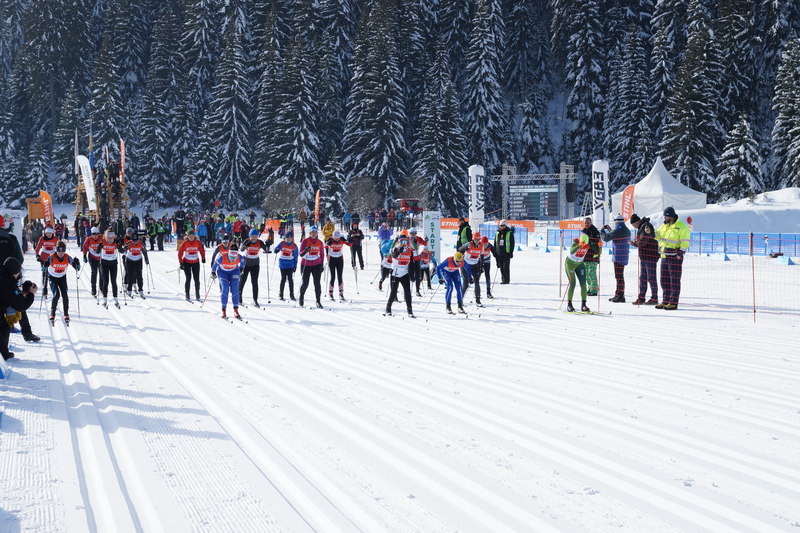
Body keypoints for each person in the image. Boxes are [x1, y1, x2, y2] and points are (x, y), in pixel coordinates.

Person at [0, 258, 37, 360]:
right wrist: (31, 294)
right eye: (17, 272)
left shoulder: (4, 276)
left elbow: (12, 297)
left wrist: (23, 293)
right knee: (3, 326)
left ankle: (3, 354)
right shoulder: (7, 283)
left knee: (4, 325)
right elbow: (20, 305)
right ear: (13, 272)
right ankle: (3, 355)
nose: (18, 275)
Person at [655, 206, 691, 310]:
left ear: (671, 216)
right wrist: (649, 231)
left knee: (674, 281)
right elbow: (657, 235)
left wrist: (680, 253)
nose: (664, 218)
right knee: (664, 280)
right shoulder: (664, 226)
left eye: (666, 216)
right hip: (664, 256)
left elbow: (685, 241)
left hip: (675, 257)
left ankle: (673, 303)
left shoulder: (681, 227)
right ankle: (665, 301)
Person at [45, 241, 81, 323]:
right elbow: (43, 268)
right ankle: (52, 313)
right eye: (59, 251)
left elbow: (77, 268)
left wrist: (77, 264)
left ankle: (66, 313)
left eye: (62, 251)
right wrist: (45, 265)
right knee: (56, 295)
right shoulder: (52, 257)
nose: (61, 253)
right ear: (56, 250)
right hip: (52, 277)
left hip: (62, 277)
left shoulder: (67, 257)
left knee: (65, 294)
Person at [629, 214, 659, 305]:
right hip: (644, 256)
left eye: (633, 225)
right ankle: (641, 297)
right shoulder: (641, 227)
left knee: (651, 278)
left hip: (650, 256)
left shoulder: (646, 226)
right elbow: (642, 241)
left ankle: (654, 298)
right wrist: (636, 242)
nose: (634, 227)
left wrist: (636, 243)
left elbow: (644, 241)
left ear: (637, 222)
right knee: (643, 278)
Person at [601, 214, 631, 303]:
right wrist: (610, 230)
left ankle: (620, 295)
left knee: (619, 276)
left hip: (618, 255)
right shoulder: (625, 229)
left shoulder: (618, 229)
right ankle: (618, 294)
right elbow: (615, 236)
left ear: (616, 221)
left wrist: (602, 231)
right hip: (623, 255)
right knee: (619, 276)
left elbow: (606, 238)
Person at [384, 235, 415, 317]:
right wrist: (399, 251)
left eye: (405, 241)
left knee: (407, 292)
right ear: (399, 242)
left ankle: (410, 311)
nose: (404, 243)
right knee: (393, 292)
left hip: (405, 273)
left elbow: (412, 263)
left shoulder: (409, 250)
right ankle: (388, 308)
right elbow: (394, 255)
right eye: (402, 242)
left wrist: (412, 275)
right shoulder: (395, 248)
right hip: (395, 273)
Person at [211, 246, 244, 319]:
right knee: (225, 289)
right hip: (222, 272)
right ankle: (223, 310)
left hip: (234, 271)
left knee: (235, 289)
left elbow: (242, 263)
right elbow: (215, 265)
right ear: (228, 254)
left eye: (234, 257)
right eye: (231, 257)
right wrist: (213, 272)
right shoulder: (221, 257)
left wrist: (241, 268)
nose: (232, 259)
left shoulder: (240, 257)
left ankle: (236, 310)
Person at [564, 234, 595, 313]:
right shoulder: (575, 242)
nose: (584, 244)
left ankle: (583, 305)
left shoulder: (588, 243)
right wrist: (579, 245)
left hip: (580, 264)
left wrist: (600, 246)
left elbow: (597, 250)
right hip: (570, 264)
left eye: (585, 243)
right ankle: (569, 305)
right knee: (573, 283)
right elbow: (572, 251)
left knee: (583, 284)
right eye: (583, 242)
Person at [239, 228, 268, 307]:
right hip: (245, 264)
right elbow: (241, 249)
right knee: (242, 281)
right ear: (250, 236)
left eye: (255, 236)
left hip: (255, 264)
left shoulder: (259, 242)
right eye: (252, 236)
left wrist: (268, 244)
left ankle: (255, 300)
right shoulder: (247, 241)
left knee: (254, 282)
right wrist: (245, 245)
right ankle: (239, 298)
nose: (254, 237)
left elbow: (266, 249)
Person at [298, 226, 326, 308]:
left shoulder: (320, 242)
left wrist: (321, 265)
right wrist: (305, 250)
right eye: (312, 232)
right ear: (310, 233)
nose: (314, 234)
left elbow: (322, 254)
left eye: (315, 232)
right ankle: (301, 297)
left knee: (317, 283)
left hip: (316, 264)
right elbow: (300, 254)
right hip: (305, 264)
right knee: (305, 283)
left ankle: (318, 301)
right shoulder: (305, 241)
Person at [95, 229, 121, 308]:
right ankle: (104, 299)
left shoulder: (116, 242)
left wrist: (120, 246)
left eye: (111, 238)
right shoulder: (102, 242)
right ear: (105, 237)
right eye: (108, 238)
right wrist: (99, 246)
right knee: (105, 281)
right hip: (104, 264)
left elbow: (122, 251)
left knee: (114, 281)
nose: (110, 240)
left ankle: (116, 298)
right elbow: (97, 252)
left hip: (113, 264)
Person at [177, 230, 206, 302]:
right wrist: (181, 263)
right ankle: (187, 295)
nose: (191, 238)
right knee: (188, 278)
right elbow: (180, 253)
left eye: (192, 236)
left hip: (196, 262)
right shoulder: (185, 243)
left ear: (194, 236)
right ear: (187, 237)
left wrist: (203, 258)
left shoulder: (198, 242)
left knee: (197, 279)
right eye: (190, 236)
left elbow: (202, 250)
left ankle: (197, 295)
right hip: (186, 262)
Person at [458, 231, 485, 305]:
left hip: (475, 265)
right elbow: (460, 250)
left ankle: (478, 300)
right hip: (465, 265)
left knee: (477, 282)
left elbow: (482, 256)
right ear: (473, 239)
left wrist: (482, 266)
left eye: (478, 239)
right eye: (476, 239)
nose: (477, 241)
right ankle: (460, 300)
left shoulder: (481, 245)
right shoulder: (469, 244)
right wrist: (460, 257)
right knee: (466, 283)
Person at [325, 230, 351, 301]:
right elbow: (325, 246)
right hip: (332, 260)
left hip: (340, 260)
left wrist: (349, 239)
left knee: (340, 277)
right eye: (335, 237)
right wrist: (327, 254)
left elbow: (350, 244)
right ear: (333, 237)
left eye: (337, 237)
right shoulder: (330, 240)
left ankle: (341, 294)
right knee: (333, 277)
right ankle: (330, 293)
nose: (336, 239)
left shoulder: (341, 239)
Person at [273, 231, 299, 301]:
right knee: (283, 279)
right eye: (287, 237)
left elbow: (296, 256)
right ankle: (281, 294)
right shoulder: (282, 243)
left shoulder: (294, 246)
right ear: (285, 238)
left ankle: (291, 294)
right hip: (283, 264)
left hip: (290, 264)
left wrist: (295, 266)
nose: (289, 239)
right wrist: (276, 250)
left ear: (292, 238)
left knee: (290, 279)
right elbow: (275, 250)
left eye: (290, 237)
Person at [123, 232, 149, 298]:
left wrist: (146, 259)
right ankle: (129, 290)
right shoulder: (129, 243)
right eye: (133, 241)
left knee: (139, 275)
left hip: (138, 260)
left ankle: (141, 290)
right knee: (130, 275)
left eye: (136, 240)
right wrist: (125, 248)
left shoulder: (141, 243)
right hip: (130, 260)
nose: (135, 242)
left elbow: (144, 251)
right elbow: (123, 250)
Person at [35, 226, 59, 298]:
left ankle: (55, 289)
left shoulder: (55, 239)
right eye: (47, 233)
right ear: (45, 233)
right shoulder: (42, 238)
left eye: (50, 233)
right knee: (44, 273)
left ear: (52, 233)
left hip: (52, 258)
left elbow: (59, 247)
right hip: (44, 257)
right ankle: (45, 290)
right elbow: (37, 248)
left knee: (52, 274)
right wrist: (37, 255)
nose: (49, 235)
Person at [581, 217, 601, 295]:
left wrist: (588, 242)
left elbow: (596, 245)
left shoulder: (595, 231)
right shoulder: (584, 231)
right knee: (586, 274)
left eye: (588, 223)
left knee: (591, 273)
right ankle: (590, 288)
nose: (586, 224)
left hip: (593, 256)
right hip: (585, 255)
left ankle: (594, 290)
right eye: (585, 223)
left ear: (591, 223)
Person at [82, 227, 103, 296]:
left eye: (97, 234)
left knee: (102, 273)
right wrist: (84, 256)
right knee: (94, 272)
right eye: (94, 234)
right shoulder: (88, 239)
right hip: (92, 257)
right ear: (92, 234)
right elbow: (85, 247)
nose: (95, 236)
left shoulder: (101, 237)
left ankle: (101, 288)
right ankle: (93, 289)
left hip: (100, 257)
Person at [494, 220, 515, 284]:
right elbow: (495, 243)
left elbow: (512, 243)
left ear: (506, 225)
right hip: (499, 252)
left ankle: (506, 280)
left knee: (505, 267)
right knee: (501, 267)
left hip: (506, 252)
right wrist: (495, 251)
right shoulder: (497, 233)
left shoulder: (509, 233)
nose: (502, 227)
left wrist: (511, 252)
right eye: (501, 225)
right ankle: (503, 279)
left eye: (503, 225)